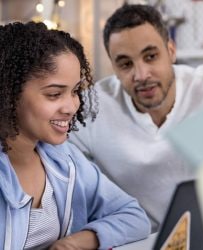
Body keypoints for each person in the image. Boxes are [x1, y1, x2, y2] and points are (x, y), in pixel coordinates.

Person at [69, 4, 203, 232]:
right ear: (114, 67)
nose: (141, 75)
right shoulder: (92, 107)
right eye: (126, 64)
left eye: (150, 56)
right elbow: (59, 174)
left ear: (171, 51)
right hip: (136, 241)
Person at [0, 21, 151, 250]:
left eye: (75, 91)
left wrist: (74, 243)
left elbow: (134, 216)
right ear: (8, 93)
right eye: (54, 94)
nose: (71, 106)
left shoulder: (64, 159)